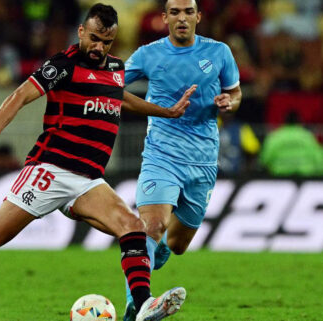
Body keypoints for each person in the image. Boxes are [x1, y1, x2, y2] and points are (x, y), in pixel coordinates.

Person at [0, 4, 196, 321]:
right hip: (48, 170)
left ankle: (143, 305)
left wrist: (166, 112)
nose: (99, 47)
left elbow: (119, 95)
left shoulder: (116, 69)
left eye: (106, 41)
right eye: (94, 39)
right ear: (81, 32)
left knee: (132, 227)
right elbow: (20, 95)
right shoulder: (63, 65)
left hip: (88, 180)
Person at [121, 0, 242, 319]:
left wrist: (229, 102)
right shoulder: (148, 54)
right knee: (152, 224)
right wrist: (153, 110)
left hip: (202, 160)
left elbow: (237, 93)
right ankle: (137, 303)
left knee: (177, 244)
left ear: (199, 16)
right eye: (174, 12)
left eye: (188, 11)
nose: (182, 18)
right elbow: (113, 86)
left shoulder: (219, 52)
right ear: (164, 18)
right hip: (161, 154)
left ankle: (157, 253)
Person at [259, 110, 323, 177]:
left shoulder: (274, 137)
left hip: (279, 178)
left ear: (283, 122)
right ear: (300, 122)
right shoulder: (308, 137)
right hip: (305, 178)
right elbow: (320, 160)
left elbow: (264, 159)